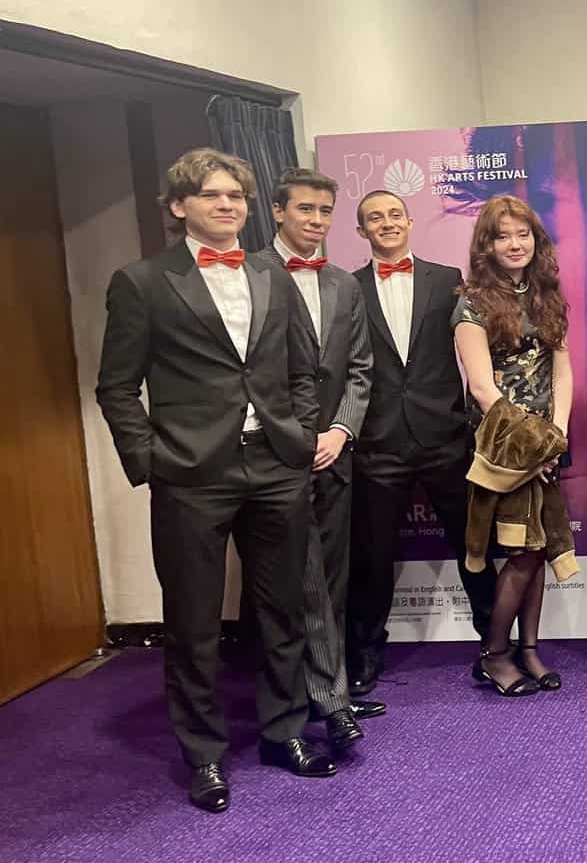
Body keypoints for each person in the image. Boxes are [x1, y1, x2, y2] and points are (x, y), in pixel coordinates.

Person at [95, 148, 334, 814]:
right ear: (179, 206)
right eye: (210, 195)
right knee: (194, 621)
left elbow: (300, 368)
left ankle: (284, 732)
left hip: (276, 465)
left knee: (283, 609)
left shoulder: (271, 273)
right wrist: (151, 460)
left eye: (236, 196)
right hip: (191, 474)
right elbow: (116, 388)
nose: (227, 205)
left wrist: (300, 434)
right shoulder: (142, 282)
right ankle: (203, 753)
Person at [346, 190, 493, 694]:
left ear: (409, 221)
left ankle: (494, 639)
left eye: (394, 214)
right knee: (371, 556)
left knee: (473, 545)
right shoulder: (347, 288)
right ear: (361, 231)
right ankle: (367, 650)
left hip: (444, 436)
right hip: (378, 441)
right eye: (374, 218)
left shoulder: (448, 279)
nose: (386, 223)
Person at [258, 168, 379, 751]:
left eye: (325, 211)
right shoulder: (250, 275)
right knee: (293, 584)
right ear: (278, 211)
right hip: (274, 455)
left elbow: (360, 368)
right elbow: (250, 375)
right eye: (305, 209)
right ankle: (319, 701)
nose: (316, 220)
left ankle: (332, 691)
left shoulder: (344, 284)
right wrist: (294, 438)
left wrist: (340, 430)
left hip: (335, 450)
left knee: (331, 578)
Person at [453, 196, 573, 697]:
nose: (515, 244)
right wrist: (534, 444)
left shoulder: (547, 294)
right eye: (503, 236)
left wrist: (556, 436)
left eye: (522, 234)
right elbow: (483, 388)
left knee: (539, 547)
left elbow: (562, 371)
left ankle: (529, 649)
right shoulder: (472, 302)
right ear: (487, 245)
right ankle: (494, 655)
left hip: (546, 442)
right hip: (503, 446)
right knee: (521, 551)